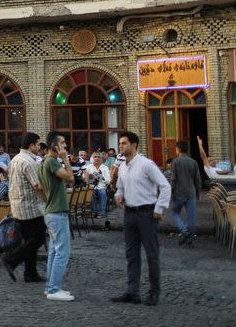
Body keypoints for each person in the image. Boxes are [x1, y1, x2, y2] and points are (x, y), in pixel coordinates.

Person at [111, 131, 171, 306]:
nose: (120, 146)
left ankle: (154, 292)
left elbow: (165, 186)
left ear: (134, 145)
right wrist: (118, 195)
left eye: (124, 143)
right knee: (131, 254)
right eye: (120, 143)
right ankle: (132, 291)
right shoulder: (122, 167)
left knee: (152, 254)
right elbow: (119, 188)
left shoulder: (146, 164)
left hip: (147, 213)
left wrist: (159, 208)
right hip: (129, 213)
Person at [4, 132, 46, 283]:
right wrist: (48, 200)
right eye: (38, 144)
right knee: (38, 238)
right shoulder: (29, 162)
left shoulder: (15, 159)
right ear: (32, 145)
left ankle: (30, 273)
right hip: (30, 207)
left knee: (30, 239)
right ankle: (11, 259)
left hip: (18, 204)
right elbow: (38, 185)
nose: (39, 148)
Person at [39, 132, 75, 301]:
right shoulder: (52, 161)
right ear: (54, 145)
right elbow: (70, 178)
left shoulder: (44, 162)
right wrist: (65, 159)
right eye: (63, 143)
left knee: (54, 251)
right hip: (57, 212)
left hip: (51, 211)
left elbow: (39, 188)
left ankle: (51, 287)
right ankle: (53, 289)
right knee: (62, 252)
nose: (65, 146)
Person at [170, 141, 201, 246]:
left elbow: (173, 179)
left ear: (178, 149)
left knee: (175, 211)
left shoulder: (175, 162)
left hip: (179, 193)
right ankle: (190, 240)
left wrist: (172, 192)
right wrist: (198, 193)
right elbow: (197, 180)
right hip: (191, 193)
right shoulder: (193, 162)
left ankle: (184, 230)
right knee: (191, 217)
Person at [84, 152, 111, 218]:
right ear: (93, 158)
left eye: (99, 157)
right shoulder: (88, 167)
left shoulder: (105, 167)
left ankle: (101, 213)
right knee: (91, 193)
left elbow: (108, 180)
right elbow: (83, 177)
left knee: (102, 193)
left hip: (101, 186)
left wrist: (101, 177)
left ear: (101, 158)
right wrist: (88, 177)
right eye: (95, 157)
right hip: (91, 186)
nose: (97, 158)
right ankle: (94, 212)